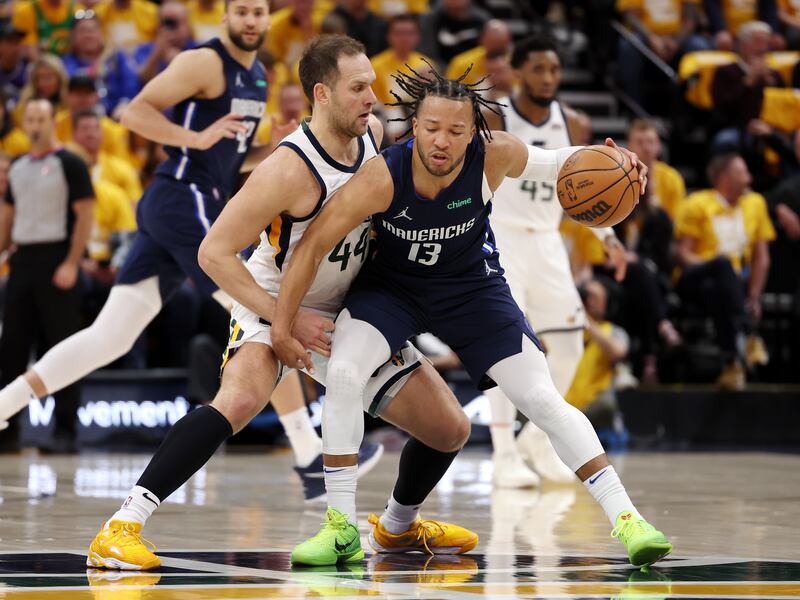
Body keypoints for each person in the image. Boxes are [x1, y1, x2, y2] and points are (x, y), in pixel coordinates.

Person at [272, 65, 673, 569]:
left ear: (473, 131)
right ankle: (340, 528)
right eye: (433, 128)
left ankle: (629, 520)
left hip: (471, 288)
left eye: (457, 131)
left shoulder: (495, 155)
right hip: (392, 290)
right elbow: (310, 247)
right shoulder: (381, 176)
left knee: (543, 399)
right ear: (414, 126)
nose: (443, 141)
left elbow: (557, 162)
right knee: (347, 371)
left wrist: (620, 161)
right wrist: (282, 324)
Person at [0, 0, 368, 532]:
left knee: (111, 336)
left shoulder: (258, 73)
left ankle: (5, 401)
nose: (251, 21)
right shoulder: (205, 62)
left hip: (192, 199)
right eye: (241, 11)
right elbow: (136, 112)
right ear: (223, 16)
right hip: (183, 199)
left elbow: (229, 155)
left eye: (260, 12)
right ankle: (310, 456)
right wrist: (193, 138)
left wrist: (273, 144)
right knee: (260, 314)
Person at [197, 33, 476, 568]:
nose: (373, 96)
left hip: (347, 307)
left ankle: (396, 528)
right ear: (322, 94)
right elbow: (213, 253)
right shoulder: (286, 167)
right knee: (236, 402)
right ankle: (125, 522)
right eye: (359, 87)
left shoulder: (372, 136)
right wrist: (283, 318)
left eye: (372, 84)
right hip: (277, 297)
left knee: (451, 427)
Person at [480, 35, 627, 488]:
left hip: (547, 242)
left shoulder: (575, 122)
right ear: (518, 71)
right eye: (539, 69)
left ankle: (537, 444)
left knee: (567, 345)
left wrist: (607, 233)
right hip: (500, 235)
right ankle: (504, 454)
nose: (548, 78)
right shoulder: (494, 114)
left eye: (555, 70)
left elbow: (583, 191)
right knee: (504, 347)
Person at [0, 99, 95, 453]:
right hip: (23, 260)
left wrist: (72, 262)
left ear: (53, 122)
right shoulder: (19, 166)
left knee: (60, 346)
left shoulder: (69, 163)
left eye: (41, 118)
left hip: (57, 258)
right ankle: (8, 429)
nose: (36, 124)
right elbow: (8, 217)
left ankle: (66, 430)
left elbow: (85, 215)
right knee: (12, 346)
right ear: (24, 124)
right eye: (31, 119)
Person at [674, 153, 775, 389]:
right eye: (742, 172)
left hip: (729, 287)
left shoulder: (756, 204)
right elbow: (682, 254)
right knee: (721, 266)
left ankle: (731, 365)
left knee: (716, 288)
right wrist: (714, 266)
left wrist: (754, 297)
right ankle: (749, 333)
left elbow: (762, 258)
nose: (748, 177)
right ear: (724, 177)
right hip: (694, 277)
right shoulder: (698, 202)